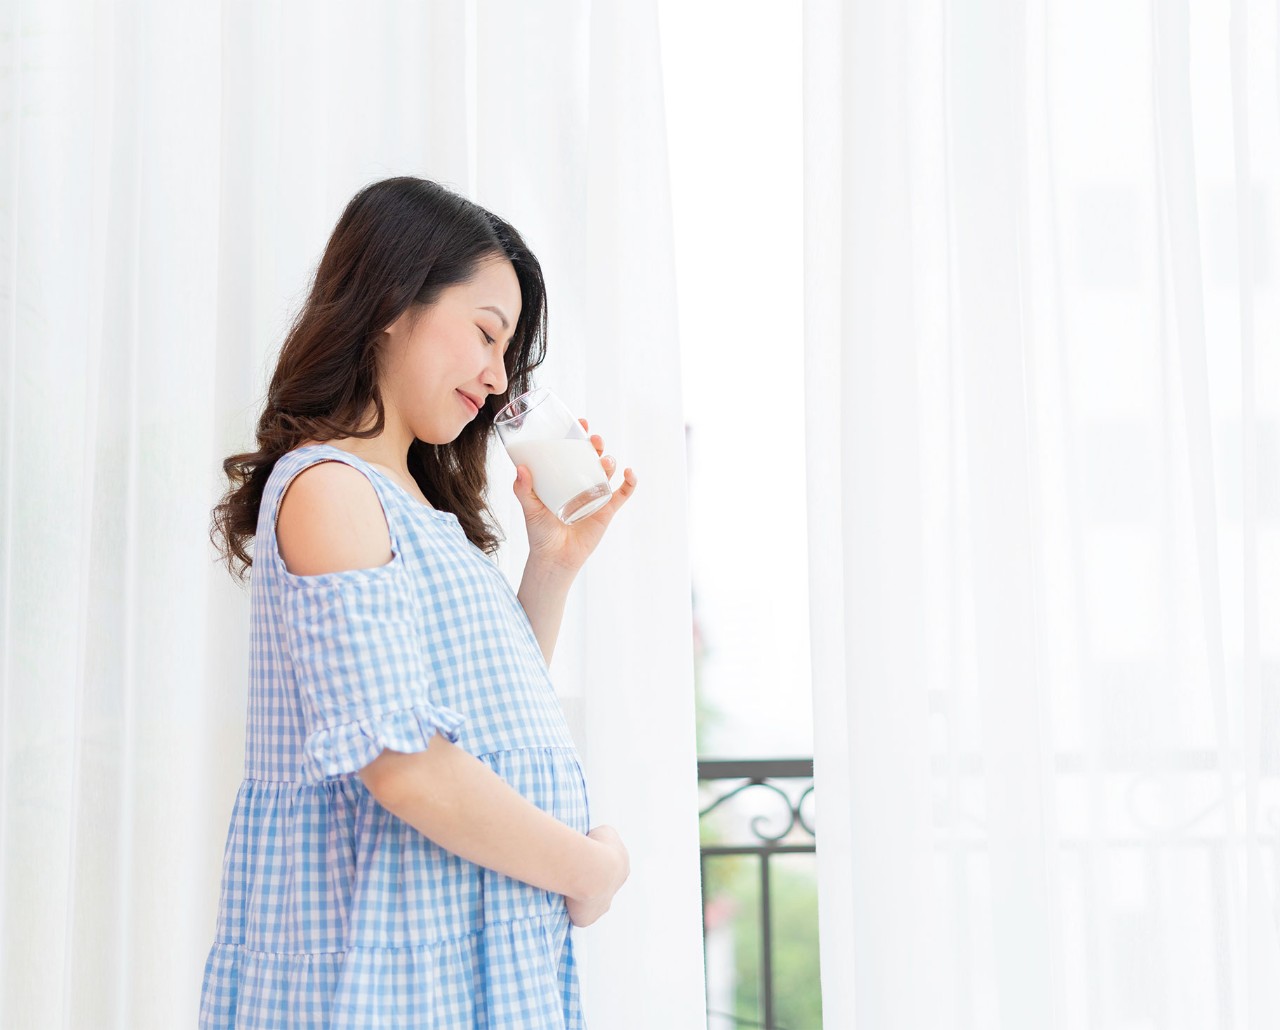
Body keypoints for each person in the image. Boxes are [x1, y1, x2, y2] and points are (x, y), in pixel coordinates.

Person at [200, 176, 635, 1028]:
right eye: (485, 333)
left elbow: (477, 711)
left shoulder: (410, 505)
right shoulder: (332, 490)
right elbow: (406, 769)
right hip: (391, 957)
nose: (496, 375)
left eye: (508, 353)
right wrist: (589, 872)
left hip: (459, 938)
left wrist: (550, 565)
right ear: (394, 299)